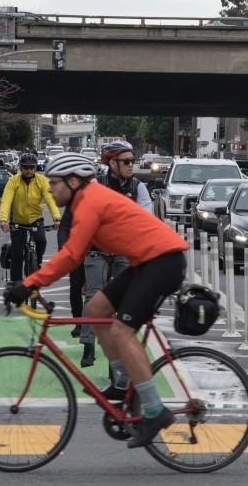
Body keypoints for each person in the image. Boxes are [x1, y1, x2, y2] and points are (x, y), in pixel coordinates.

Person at [4, 152, 188, 449]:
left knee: (121, 331)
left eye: (54, 183)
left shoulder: (90, 201)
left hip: (163, 262)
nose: (49, 189)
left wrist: (28, 284)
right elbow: (73, 254)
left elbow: (72, 255)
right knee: (97, 308)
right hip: (146, 262)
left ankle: (155, 411)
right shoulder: (84, 200)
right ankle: (122, 380)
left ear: (73, 182)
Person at [75, 141, 147, 366]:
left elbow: (145, 218)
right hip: (97, 252)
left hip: (124, 252)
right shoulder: (96, 185)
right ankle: (88, 345)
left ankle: (122, 347)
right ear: (111, 163)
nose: (131, 165)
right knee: (94, 295)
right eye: (126, 161)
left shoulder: (138, 188)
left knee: (125, 299)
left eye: (132, 161)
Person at [0, 152, 61, 278]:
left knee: (41, 240)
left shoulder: (42, 181)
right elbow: (6, 200)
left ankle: (36, 263)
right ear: (20, 168)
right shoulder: (13, 181)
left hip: (35, 219)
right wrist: (3, 220)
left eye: (31, 167)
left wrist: (57, 218)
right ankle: (16, 286)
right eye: (25, 167)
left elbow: (50, 200)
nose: (28, 170)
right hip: (17, 221)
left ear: (35, 168)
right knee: (17, 254)